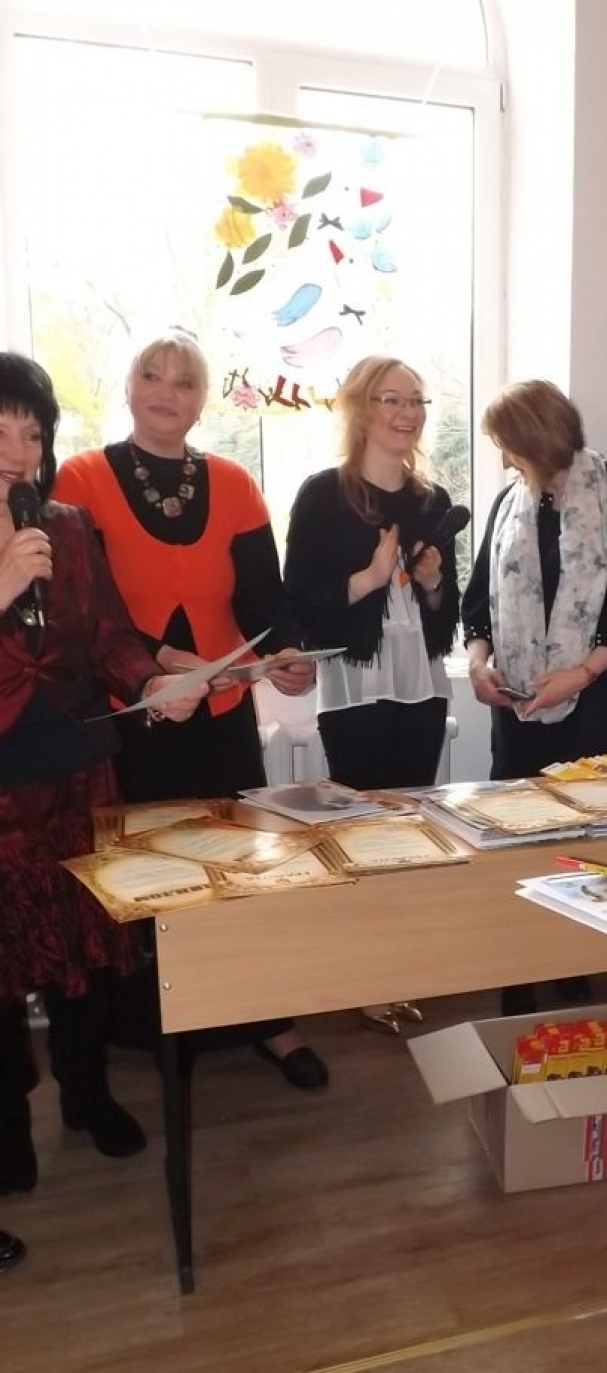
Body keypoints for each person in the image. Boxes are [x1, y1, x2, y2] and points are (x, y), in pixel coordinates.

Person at [51, 330, 328, 1090]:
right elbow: (83, 607)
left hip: (222, 713)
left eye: (184, 381)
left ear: (203, 400)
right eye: (152, 375)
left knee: (241, 870)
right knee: (146, 876)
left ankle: (267, 1021)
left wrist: (289, 656)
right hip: (131, 714)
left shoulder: (234, 482)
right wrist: (159, 660)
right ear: (129, 387)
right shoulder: (79, 478)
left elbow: (266, 601)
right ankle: (155, 1027)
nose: (166, 392)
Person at [0, 353, 206, 1194]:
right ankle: (8, 1129)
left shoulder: (68, 525)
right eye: (0, 432)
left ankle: (87, 1093)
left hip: (78, 773)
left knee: (83, 951)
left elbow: (112, 636)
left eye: (33, 432)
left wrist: (153, 684)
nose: (18, 451)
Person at [462, 378, 607, 1014]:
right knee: (515, 839)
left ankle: (573, 961)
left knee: (585, 837)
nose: (503, 460)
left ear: (538, 440)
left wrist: (578, 675)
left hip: (594, 702)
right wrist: (478, 663)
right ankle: (516, 970)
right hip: (518, 708)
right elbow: (477, 599)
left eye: (508, 446)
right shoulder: (508, 502)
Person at [283, 355, 461, 1036]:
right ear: (361, 407)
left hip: (422, 688)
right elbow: (299, 604)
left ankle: (403, 969)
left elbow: (446, 617)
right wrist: (368, 579)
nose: (407, 413)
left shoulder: (432, 500)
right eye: (393, 399)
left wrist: (434, 584)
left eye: (416, 401)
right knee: (359, 833)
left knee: (411, 832)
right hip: (355, 688)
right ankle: (364, 977)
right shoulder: (322, 495)